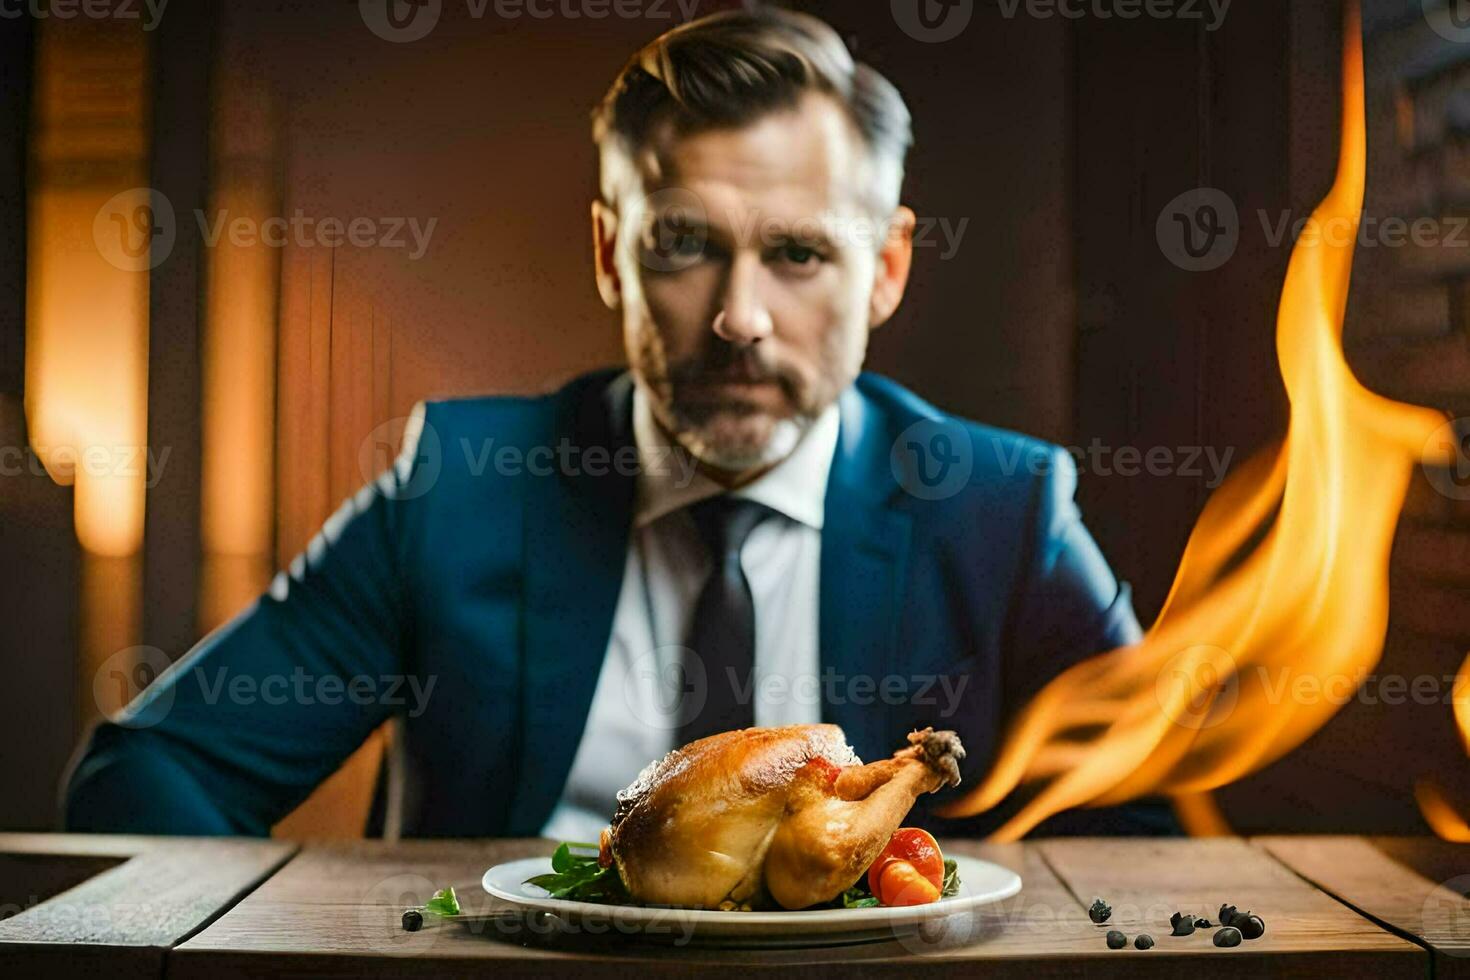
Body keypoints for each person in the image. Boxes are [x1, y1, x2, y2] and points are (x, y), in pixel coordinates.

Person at [64, 8, 1175, 840]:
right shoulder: (458, 489)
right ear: (611, 253)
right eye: (684, 245)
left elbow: (1156, 855)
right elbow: (144, 775)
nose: (741, 319)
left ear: (885, 269)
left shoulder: (999, 509)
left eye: (798, 254)